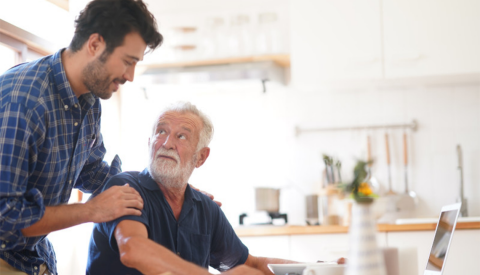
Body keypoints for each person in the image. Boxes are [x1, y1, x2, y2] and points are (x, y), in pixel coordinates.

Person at [0, 1, 166, 274]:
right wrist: (90, 210)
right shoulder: (23, 101)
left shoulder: (87, 102)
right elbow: (5, 216)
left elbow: (95, 175)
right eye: (128, 61)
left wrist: (168, 194)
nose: (130, 76)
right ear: (95, 44)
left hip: (35, 258)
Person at [86, 102, 299, 275]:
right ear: (150, 143)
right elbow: (133, 249)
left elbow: (249, 265)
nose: (167, 143)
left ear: (201, 157)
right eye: (161, 132)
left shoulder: (205, 209)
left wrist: (317, 269)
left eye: (181, 136)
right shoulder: (125, 187)